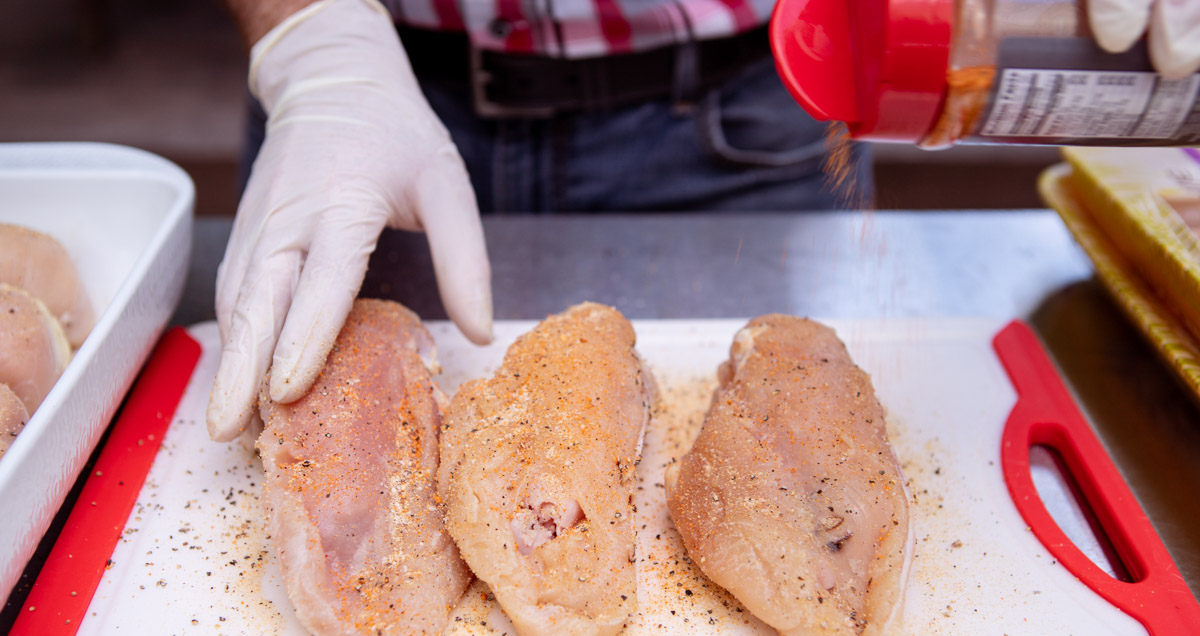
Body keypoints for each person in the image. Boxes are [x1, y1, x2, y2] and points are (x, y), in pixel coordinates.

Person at [205, 0, 1198, 442]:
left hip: (745, 103)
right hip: (359, 101)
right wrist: (303, 34)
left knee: (798, 427)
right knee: (298, 416)